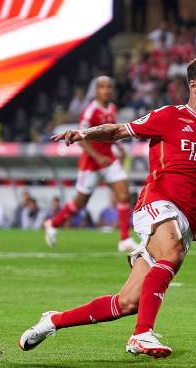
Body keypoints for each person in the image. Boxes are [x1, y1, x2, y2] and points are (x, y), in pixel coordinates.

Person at [19, 56, 196, 359]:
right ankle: (141, 335)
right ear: (194, 86)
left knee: (128, 303)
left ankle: (53, 321)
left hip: (187, 222)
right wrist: (84, 133)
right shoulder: (168, 117)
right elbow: (118, 131)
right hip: (157, 203)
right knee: (172, 250)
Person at [43, 76, 138, 252]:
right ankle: (52, 223)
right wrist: (97, 156)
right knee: (80, 202)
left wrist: (118, 146)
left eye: (109, 86)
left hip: (108, 160)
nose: (106, 90)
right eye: (102, 87)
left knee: (124, 194)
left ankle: (124, 239)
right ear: (96, 90)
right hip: (91, 163)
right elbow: (81, 137)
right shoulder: (90, 111)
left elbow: (109, 133)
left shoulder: (112, 108)